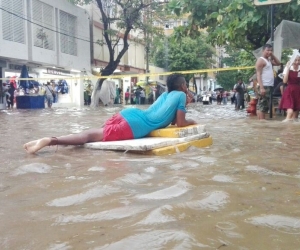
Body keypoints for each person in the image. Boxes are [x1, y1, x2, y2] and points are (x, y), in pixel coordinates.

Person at [23, 73, 197, 154]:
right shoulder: (181, 95)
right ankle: (50, 141)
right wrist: (192, 121)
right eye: (185, 85)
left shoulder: (166, 95)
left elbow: (171, 120)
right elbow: (179, 124)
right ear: (183, 86)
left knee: (89, 134)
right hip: (135, 125)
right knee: (89, 136)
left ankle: (60, 141)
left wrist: (184, 106)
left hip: (129, 114)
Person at [255, 43, 281, 119]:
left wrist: (272, 55)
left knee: (264, 104)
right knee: (262, 105)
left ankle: (261, 121)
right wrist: (262, 88)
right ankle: (262, 121)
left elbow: (278, 63)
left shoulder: (268, 60)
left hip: (269, 85)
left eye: (271, 50)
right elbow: (258, 75)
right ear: (263, 50)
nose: (269, 52)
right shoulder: (261, 60)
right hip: (264, 85)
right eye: (267, 50)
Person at [279, 52, 300, 122]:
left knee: (295, 117)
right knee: (290, 111)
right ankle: (284, 128)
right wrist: (288, 68)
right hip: (289, 91)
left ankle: (292, 131)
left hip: (298, 92)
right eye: (295, 60)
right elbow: (284, 81)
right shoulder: (288, 68)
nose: (297, 62)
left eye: (298, 60)